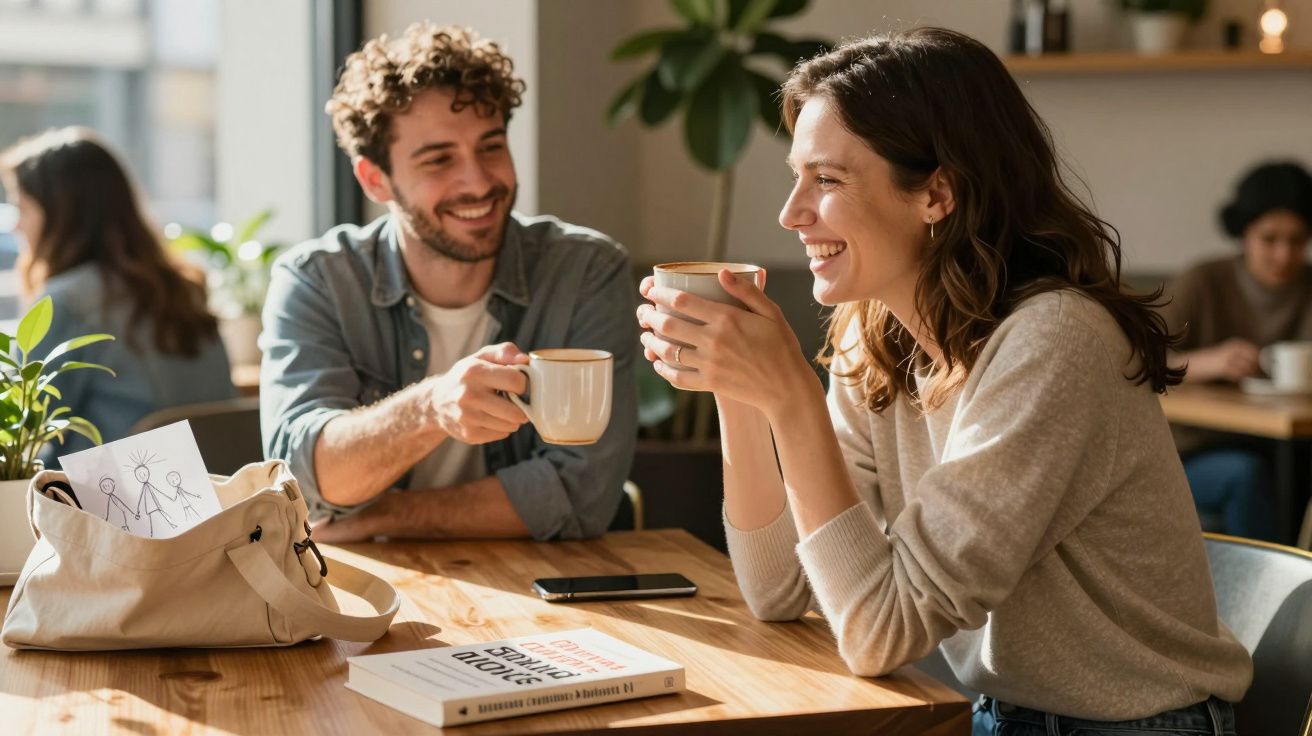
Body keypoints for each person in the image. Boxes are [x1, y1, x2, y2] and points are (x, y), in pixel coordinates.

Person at [637, 28, 1250, 735]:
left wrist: (790, 397)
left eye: (828, 180)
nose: (791, 213)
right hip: (999, 715)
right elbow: (781, 592)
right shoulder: (878, 338)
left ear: (937, 193)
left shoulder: (1054, 342)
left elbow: (881, 633)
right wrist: (738, 391)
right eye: (796, 175)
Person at [261, 22, 636, 543]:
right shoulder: (319, 281)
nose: (479, 182)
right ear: (375, 179)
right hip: (375, 589)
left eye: (490, 147)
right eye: (439, 159)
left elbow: (583, 494)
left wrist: (391, 516)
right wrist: (431, 407)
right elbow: (304, 477)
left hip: (546, 585)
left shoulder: (586, 273)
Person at [0, 127, 235, 463]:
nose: (15, 226)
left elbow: (19, 430)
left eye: (22, 208)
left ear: (60, 215)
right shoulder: (183, 289)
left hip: (112, 503)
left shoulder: (68, 301)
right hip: (213, 499)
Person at [1160, 162, 1312, 542]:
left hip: (1288, 444)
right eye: (1270, 239)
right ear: (1244, 233)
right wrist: (1205, 362)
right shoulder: (1204, 281)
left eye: (1297, 240)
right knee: (1248, 474)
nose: (1283, 254)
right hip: (1193, 448)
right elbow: (1131, 358)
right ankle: (1267, 598)